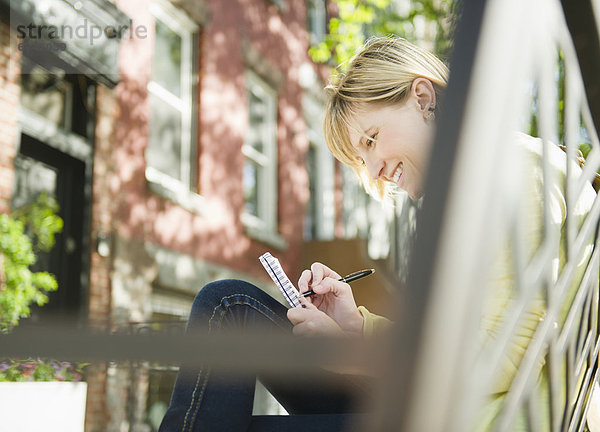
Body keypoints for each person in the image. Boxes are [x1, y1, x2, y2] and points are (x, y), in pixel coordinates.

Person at [158, 37, 597, 431]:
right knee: (230, 305)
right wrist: (354, 324)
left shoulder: (515, 173)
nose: (373, 173)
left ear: (423, 98)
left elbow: (495, 361)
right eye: (360, 159)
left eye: (370, 141)